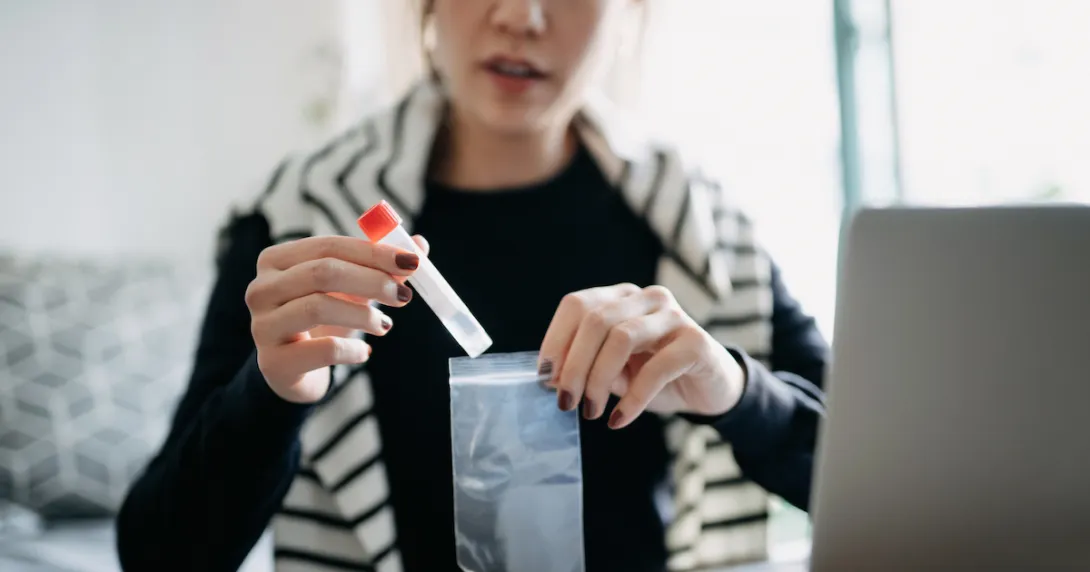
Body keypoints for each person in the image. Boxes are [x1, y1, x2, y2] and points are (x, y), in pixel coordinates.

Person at [116, 1, 828, 571]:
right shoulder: (302, 219)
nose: (521, 15)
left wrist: (734, 389)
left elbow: (879, 485)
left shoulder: (701, 227)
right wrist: (270, 396)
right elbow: (157, 554)